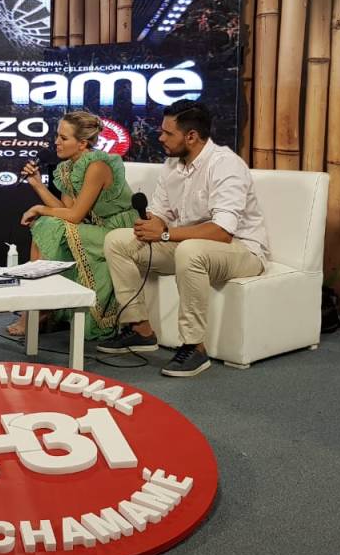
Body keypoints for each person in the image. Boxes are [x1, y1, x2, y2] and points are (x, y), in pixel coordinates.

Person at [98, 101, 270, 378]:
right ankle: (140, 328)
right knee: (118, 241)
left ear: (191, 136)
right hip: (187, 245)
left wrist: (164, 234)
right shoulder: (172, 165)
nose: (160, 137)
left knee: (190, 251)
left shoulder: (225, 165)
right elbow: (162, 213)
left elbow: (222, 232)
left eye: (168, 133)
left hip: (242, 250)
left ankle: (194, 347)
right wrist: (152, 223)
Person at [7, 111, 138, 340]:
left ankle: (40, 309)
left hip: (117, 230)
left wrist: (39, 208)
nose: (56, 142)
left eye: (63, 138)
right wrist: (37, 185)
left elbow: (75, 216)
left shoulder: (97, 166)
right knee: (48, 224)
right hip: (92, 227)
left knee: (47, 223)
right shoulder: (67, 168)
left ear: (82, 143)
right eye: (57, 136)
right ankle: (40, 305)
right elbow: (65, 211)